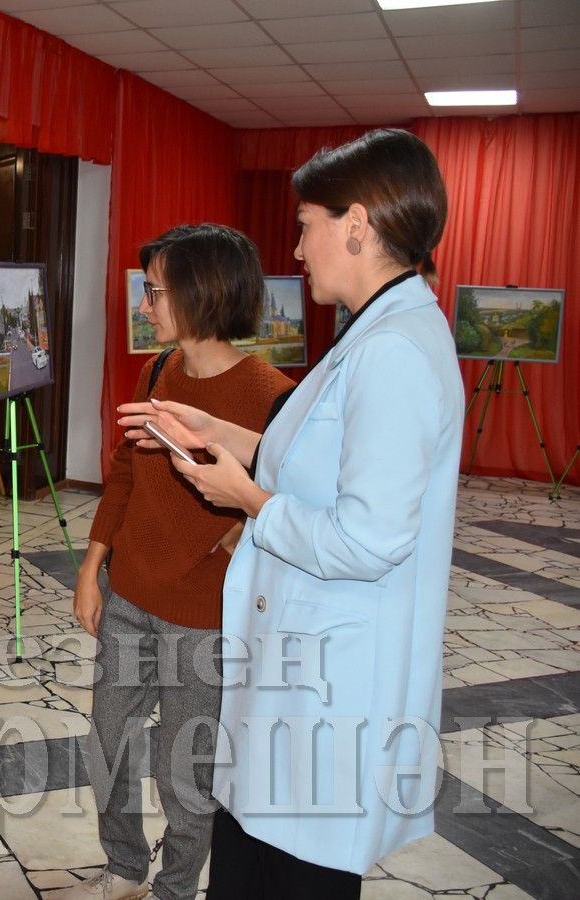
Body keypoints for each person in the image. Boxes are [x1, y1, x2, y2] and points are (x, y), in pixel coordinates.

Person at [118, 129, 463, 898]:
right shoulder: (374, 332)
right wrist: (217, 432)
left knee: (283, 877)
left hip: (328, 690)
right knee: (247, 858)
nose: (298, 250)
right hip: (300, 677)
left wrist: (246, 499)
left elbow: (367, 537)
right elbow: (319, 453)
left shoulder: (393, 352)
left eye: (306, 225)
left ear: (356, 224)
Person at [53, 224, 292, 900]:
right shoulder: (155, 371)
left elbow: (275, 507)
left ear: (200, 293)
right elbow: (124, 474)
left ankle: (175, 886)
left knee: (185, 768)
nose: (145, 306)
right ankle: (124, 864)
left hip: (203, 618)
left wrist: (231, 536)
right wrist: (90, 566)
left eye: (154, 291)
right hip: (129, 595)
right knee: (107, 741)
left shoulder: (271, 397)